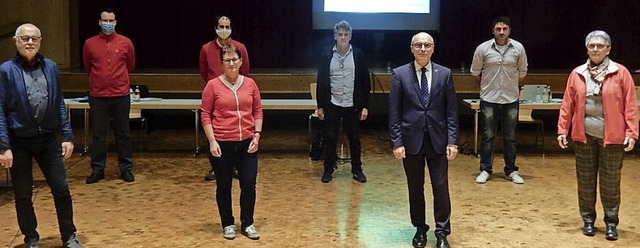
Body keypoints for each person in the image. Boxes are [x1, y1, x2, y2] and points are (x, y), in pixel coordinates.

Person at [0, 23, 84, 248]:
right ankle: (31, 238)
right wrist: (3, 145)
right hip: (19, 142)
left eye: (34, 38)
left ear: (40, 42)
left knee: (62, 190)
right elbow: (0, 108)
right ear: (16, 41)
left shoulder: (51, 67)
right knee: (24, 195)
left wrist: (66, 135)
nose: (29, 42)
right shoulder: (6, 70)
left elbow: (58, 102)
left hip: (47, 140)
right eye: (25, 38)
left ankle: (69, 236)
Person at [557, 30, 638, 241]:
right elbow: (567, 104)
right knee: (585, 181)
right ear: (587, 48)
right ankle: (588, 221)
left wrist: (632, 132)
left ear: (608, 49)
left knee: (611, 182)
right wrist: (562, 129)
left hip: (612, 138)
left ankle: (611, 223)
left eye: (599, 46)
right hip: (584, 136)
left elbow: (630, 105)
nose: (595, 49)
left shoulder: (620, 73)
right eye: (591, 46)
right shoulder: (578, 73)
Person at [388, 32, 458, 248]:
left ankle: (441, 233)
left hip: (438, 140)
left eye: (427, 45)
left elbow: (451, 111)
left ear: (433, 48)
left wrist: (453, 141)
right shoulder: (400, 74)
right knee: (415, 188)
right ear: (411, 48)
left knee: (440, 187)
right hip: (411, 142)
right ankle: (420, 229)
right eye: (418, 45)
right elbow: (394, 112)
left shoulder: (444, 74)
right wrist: (397, 143)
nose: (422, 49)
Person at [201, 44, 263, 240]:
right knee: (224, 185)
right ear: (221, 64)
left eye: (234, 59)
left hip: (247, 143)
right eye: (227, 60)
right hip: (221, 143)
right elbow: (205, 115)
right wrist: (212, 141)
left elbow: (258, 111)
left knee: (249, 183)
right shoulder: (212, 85)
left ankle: (247, 223)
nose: (231, 63)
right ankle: (228, 223)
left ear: (241, 61)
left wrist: (257, 134)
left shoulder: (251, 84)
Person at [470, 16, 528, 184]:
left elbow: (522, 73)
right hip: (489, 98)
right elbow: (475, 73)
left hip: (510, 99)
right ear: (493, 30)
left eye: (504, 29)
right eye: (498, 29)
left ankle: (511, 170)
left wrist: (510, 87)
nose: (501, 32)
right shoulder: (483, 48)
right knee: (488, 136)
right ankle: (485, 169)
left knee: (510, 137)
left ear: (509, 30)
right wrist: (487, 86)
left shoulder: (518, 48)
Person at [83, 8, 136, 184]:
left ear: (115, 22)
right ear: (99, 22)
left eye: (111, 21)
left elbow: (130, 65)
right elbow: (88, 67)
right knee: (99, 135)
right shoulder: (90, 43)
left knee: (123, 134)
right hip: (98, 96)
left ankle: (126, 169)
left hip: (120, 95)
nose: (108, 23)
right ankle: (98, 170)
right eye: (105, 20)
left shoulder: (125, 42)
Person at [316, 20, 370, 183]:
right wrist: (320, 105)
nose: (343, 37)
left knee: (354, 139)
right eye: (340, 34)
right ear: (335, 36)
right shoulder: (327, 54)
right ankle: (328, 170)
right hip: (333, 102)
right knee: (330, 137)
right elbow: (321, 81)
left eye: (346, 34)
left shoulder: (358, 55)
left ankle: (357, 169)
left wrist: (365, 106)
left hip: (352, 104)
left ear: (350, 36)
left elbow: (365, 83)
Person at [199, 15, 250, 181]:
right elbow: (203, 72)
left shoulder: (240, 47)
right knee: (214, 130)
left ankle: (235, 166)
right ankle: (217, 167)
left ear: (231, 28)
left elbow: (246, 71)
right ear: (215, 28)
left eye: (227, 26)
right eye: (221, 26)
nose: (224, 29)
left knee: (235, 131)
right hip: (215, 95)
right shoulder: (206, 49)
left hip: (236, 95)